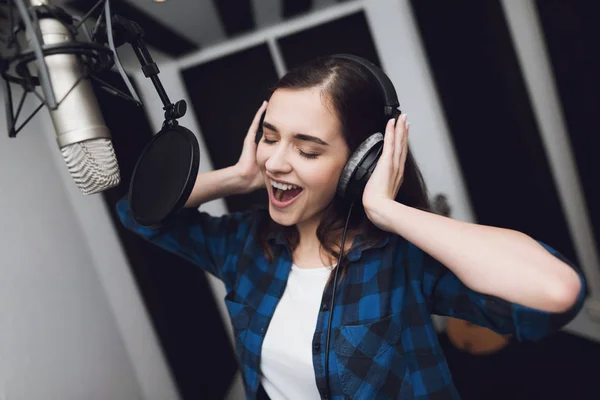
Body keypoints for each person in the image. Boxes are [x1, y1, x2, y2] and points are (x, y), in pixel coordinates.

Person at [117, 55, 586, 400]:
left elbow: (555, 291)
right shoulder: (244, 243)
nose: (276, 162)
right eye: (270, 136)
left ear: (357, 165)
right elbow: (141, 215)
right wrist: (236, 176)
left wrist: (386, 208)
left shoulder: (400, 260)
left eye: (308, 149)